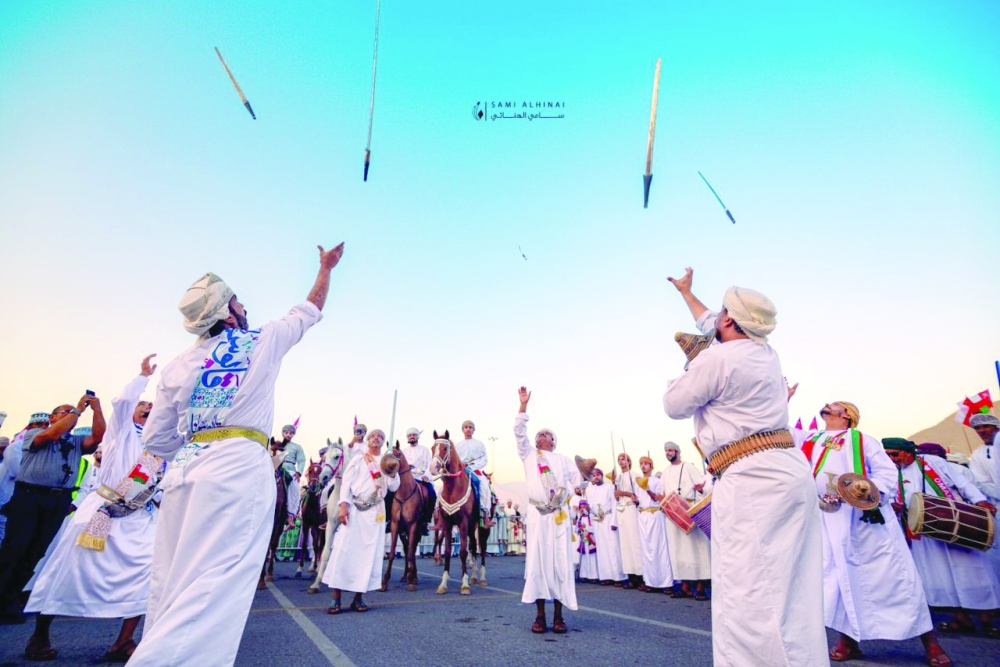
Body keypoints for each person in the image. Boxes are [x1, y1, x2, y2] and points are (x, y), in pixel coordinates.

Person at [129, 242, 344, 666]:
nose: (245, 307)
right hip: (237, 469)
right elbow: (310, 308)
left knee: (172, 579)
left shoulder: (176, 366)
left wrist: (195, 442)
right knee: (216, 586)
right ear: (229, 314)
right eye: (238, 301)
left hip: (185, 473)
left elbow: (155, 442)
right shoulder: (261, 340)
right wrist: (326, 268)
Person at [662, 267, 827, 666]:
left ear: (730, 321)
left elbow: (673, 406)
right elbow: (712, 325)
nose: (714, 317)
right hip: (786, 471)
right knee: (794, 590)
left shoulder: (715, 359)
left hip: (751, 480)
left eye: (720, 312)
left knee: (748, 592)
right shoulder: (767, 353)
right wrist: (687, 293)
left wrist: (690, 364)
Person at [22, 356, 161, 662]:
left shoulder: (157, 447)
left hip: (138, 517)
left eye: (153, 406)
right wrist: (143, 377)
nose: (148, 407)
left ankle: (123, 642)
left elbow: (150, 478)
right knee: (68, 570)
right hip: (102, 512)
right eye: (144, 404)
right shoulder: (121, 431)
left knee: (147, 574)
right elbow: (124, 402)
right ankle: (39, 636)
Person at [799, 405, 949, 666]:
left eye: (837, 404)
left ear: (847, 415)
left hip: (866, 521)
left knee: (897, 579)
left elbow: (887, 474)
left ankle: (931, 643)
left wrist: (861, 492)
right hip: (828, 520)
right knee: (839, 580)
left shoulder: (863, 440)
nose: (829, 405)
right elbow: (777, 430)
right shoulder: (810, 439)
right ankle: (848, 641)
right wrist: (780, 396)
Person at [0, 396, 105, 624]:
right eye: (64, 412)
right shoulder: (35, 435)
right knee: (15, 548)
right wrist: (77, 410)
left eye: (72, 413)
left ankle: (11, 599)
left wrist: (96, 409)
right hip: (30, 496)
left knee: (36, 551)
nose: (70, 415)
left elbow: (98, 436)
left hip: (57, 501)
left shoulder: (76, 442)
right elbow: (52, 435)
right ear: (52, 417)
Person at [884, 437, 1000, 637]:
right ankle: (961, 619)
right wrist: (894, 505)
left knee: (973, 572)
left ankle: (986, 620)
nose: (891, 459)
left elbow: (962, 483)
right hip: (924, 531)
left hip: (955, 523)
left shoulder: (932, 462)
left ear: (908, 452)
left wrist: (980, 501)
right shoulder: (892, 472)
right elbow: (894, 497)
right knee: (941, 576)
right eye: (887, 455)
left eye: (894, 454)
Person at [514, 386, 582, 634]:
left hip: (559, 518)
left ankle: (559, 616)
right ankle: (540, 616)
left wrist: (576, 491)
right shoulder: (530, 455)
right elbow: (519, 432)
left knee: (560, 564)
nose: (542, 435)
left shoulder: (564, 460)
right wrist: (523, 405)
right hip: (538, 516)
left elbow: (577, 484)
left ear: (554, 441)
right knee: (539, 563)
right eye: (539, 433)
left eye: (547, 434)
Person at [322, 429, 399, 613]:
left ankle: (358, 598)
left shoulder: (387, 462)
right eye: (373, 435)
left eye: (380, 437)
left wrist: (394, 471)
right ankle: (336, 599)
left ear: (382, 442)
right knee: (344, 551)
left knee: (368, 556)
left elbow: (394, 486)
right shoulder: (358, 459)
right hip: (355, 510)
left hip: (376, 514)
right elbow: (346, 483)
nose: (376, 438)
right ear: (368, 440)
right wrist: (343, 506)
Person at [661, 441, 711, 599]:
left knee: (697, 550)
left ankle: (700, 587)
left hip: (689, 511)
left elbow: (703, 487)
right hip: (673, 515)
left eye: (670, 450)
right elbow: (662, 493)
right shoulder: (665, 472)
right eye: (666, 451)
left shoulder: (688, 467)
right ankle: (684, 587)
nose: (668, 453)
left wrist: (701, 489)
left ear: (677, 451)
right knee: (678, 550)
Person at [0, 413, 51, 547]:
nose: (43, 427)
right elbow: (17, 472)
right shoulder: (16, 447)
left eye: (47, 425)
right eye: (38, 424)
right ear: (29, 426)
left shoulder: (46, 450)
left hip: (25, 504)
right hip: (6, 499)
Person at [634, 459, 673, 592]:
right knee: (646, 550)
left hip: (655, 515)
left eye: (646, 463)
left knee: (659, 548)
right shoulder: (638, 482)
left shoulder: (657, 481)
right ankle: (650, 581)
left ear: (651, 466)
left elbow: (657, 498)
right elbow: (639, 501)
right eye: (641, 464)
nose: (643, 466)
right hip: (642, 516)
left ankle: (666, 583)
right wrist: (635, 500)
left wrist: (647, 490)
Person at [583, 467, 625, 586]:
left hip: (608, 519)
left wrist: (613, 521)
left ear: (602, 475)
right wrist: (588, 511)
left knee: (612, 548)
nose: (596, 477)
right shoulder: (590, 490)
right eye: (594, 475)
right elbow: (588, 507)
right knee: (601, 550)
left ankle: (618, 577)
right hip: (597, 521)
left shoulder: (610, 487)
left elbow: (614, 504)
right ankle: (605, 576)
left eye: (598, 474)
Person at [613, 453, 643, 588]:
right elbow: (617, 498)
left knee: (635, 542)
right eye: (619, 459)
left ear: (629, 462)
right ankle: (631, 576)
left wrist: (623, 493)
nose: (621, 461)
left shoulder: (635, 475)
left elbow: (637, 495)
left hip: (632, 510)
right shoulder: (618, 477)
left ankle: (641, 576)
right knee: (625, 544)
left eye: (623, 459)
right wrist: (617, 493)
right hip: (622, 511)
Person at [457, 420, 493, 528]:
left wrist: (472, 467)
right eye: (466, 427)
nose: (468, 429)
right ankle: (441, 516)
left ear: (473, 430)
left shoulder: (479, 444)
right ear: (463, 430)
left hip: (475, 470)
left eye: (470, 427)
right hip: (460, 471)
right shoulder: (457, 445)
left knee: (484, 486)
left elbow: (484, 459)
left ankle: (485, 515)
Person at [401, 427, 436, 527]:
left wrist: (426, 475)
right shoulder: (403, 451)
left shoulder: (424, 450)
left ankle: (426, 520)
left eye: (414, 435)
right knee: (392, 493)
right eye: (410, 435)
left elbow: (430, 464)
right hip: (406, 479)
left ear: (418, 437)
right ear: (407, 437)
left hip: (421, 478)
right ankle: (391, 520)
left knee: (431, 494)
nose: (412, 437)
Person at [969, 414, 1000, 501]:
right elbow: (982, 483)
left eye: (986, 426)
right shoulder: (977, 455)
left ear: (997, 427)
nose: (981, 431)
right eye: (977, 428)